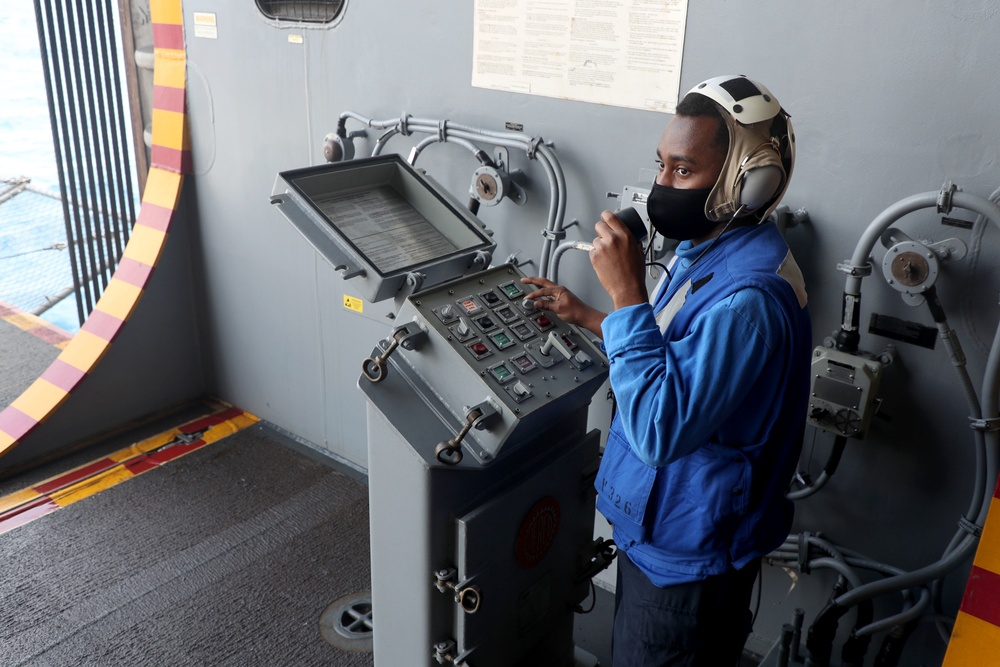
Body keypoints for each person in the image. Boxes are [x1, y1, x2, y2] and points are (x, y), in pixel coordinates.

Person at [521, 75, 812, 666]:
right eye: (660, 166)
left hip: (688, 559)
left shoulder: (747, 300)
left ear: (748, 185)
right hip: (664, 534)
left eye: (683, 170)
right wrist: (589, 314)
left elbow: (660, 428)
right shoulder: (707, 250)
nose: (660, 187)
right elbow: (670, 355)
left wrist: (628, 294)